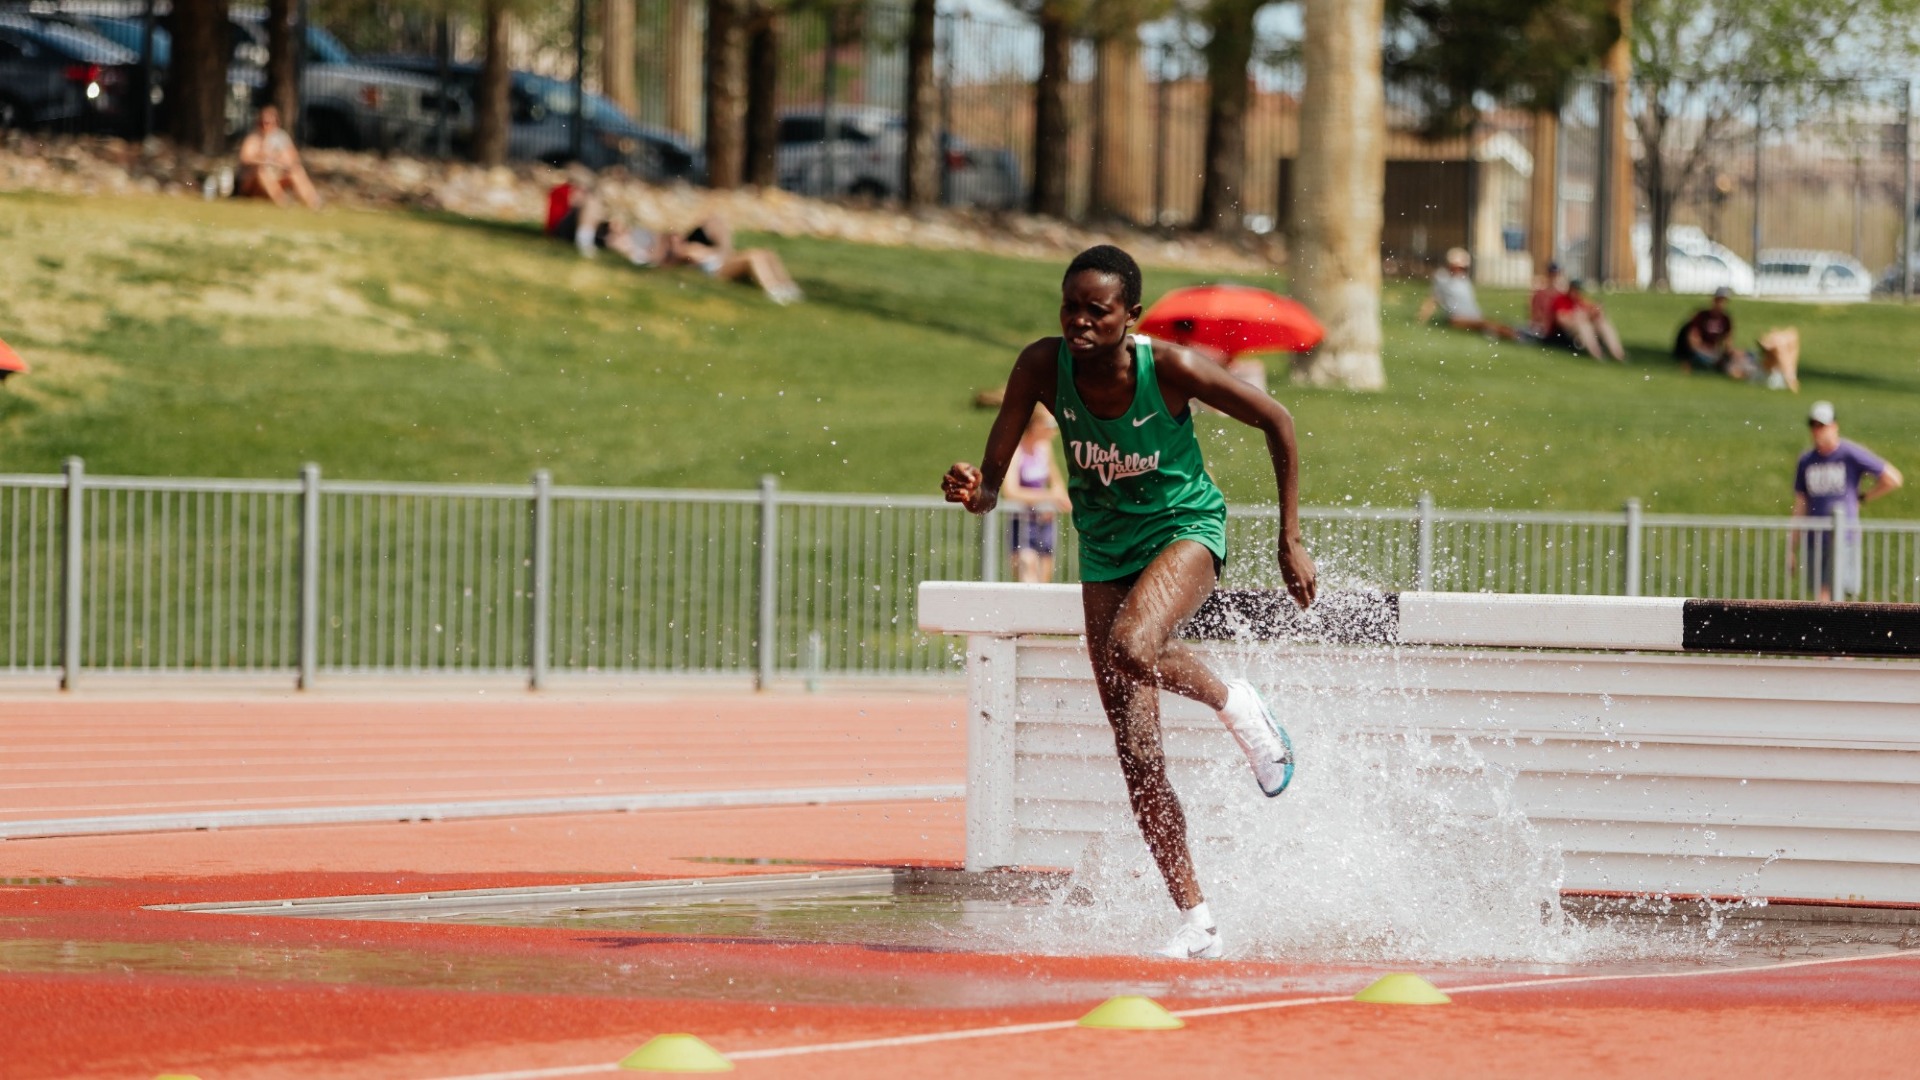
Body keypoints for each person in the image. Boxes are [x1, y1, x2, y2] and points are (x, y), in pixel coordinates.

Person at [942, 245, 1316, 960]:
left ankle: (1238, 704)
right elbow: (992, 483)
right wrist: (974, 489)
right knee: (1138, 756)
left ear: (1131, 316)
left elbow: (1278, 420)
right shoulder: (1039, 367)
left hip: (1184, 533)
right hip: (1106, 553)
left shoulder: (1167, 368)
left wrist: (1288, 540)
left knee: (1132, 646)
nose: (1080, 322)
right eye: (1070, 307)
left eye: (1097, 310)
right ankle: (1197, 920)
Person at [1792, 401, 1902, 601]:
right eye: (1813, 425)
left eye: (1822, 425)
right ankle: (1831, 631)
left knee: (1828, 595)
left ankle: (1824, 632)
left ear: (1834, 426)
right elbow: (1800, 504)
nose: (1817, 431)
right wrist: (1792, 546)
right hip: (1815, 539)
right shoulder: (1806, 460)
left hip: (1844, 538)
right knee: (1825, 597)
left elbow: (1892, 478)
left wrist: (1864, 497)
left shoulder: (1849, 453)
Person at [1001, 406, 1071, 583]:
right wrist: (1048, 498)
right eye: (1049, 422)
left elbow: (1056, 482)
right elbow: (1011, 491)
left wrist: (1058, 497)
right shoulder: (1017, 451)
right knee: (1027, 569)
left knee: (1043, 582)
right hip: (1022, 524)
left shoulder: (1044, 448)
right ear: (1035, 425)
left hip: (1044, 522)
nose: (1053, 427)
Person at [1416, 248, 1520, 340]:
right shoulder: (1442, 278)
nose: (1462, 270)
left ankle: (1518, 335)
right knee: (1485, 325)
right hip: (1457, 318)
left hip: (1474, 316)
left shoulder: (1464, 280)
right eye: (1459, 267)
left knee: (1495, 323)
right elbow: (1433, 299)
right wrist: (1421, 319)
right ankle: (1517, 338)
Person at [235, 106, 322, 210]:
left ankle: (313, 202)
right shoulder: (254, 138)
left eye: (269, 122)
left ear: (276, 123)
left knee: (297, 171)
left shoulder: (281, 138)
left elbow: (292, 159)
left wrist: (276, 162)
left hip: (275, 175)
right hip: (253, 182)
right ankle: (283, 202)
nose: (265, 126)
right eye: (263, 122)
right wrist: (263, 159)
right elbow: (245, 158)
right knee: (262, 172)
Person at [1672, 287, 1754, 378]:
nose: (1721, 304)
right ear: (1714, 300)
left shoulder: (1725, 319)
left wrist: (1733, 352)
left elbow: (1728, 343)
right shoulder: (1701, 316)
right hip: (1701, 351)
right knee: (1713, 359)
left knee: (1749, 354)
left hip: (1714, 352)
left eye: (1724, 301)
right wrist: (1706, 350)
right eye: (1719, 300)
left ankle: (1743, 369)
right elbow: (1693, 340)